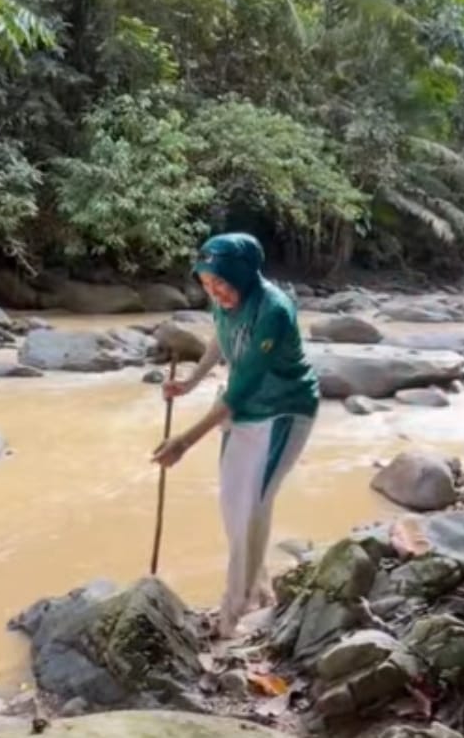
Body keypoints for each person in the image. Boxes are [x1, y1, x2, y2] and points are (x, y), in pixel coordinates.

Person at [152, 232, 319, 638]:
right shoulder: (224, 298)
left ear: (243, 275)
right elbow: (221, 337)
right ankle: (259, 590)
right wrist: (190, 382)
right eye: (207, 284)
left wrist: (184, 442)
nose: (215, 292)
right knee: (232, 504)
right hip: (242, 410)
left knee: (253, 506)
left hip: (283, 410)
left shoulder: (273, 310)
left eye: (222, 283)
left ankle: (235, 614)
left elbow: (243, 386)